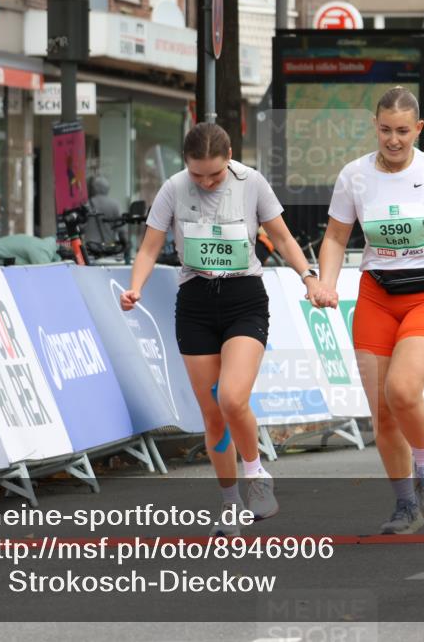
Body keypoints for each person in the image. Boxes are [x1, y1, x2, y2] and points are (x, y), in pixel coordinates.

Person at [119, 123, 322, 536]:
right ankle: (230, 505)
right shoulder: (174, 188)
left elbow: (281, 238)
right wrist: (135, 287)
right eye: (198, 175)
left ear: (229, 155)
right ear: (186, 165)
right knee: (212, 415)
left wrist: (309, 276)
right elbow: (151, 245)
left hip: (243, 298)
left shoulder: (253, 184)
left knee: (231, 397)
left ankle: (256, 475)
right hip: (194, 302)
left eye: (214, 173)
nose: (207, 182)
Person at [311, 87, 424, 534]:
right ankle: (406, 506)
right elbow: (335, 237)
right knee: (383, 412)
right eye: (385, 130)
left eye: (403, 132)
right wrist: (326, 282)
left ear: (418, 130)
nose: (393, 140)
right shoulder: (354, 176)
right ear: (375, 125)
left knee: (403, 388)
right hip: (376, 295)